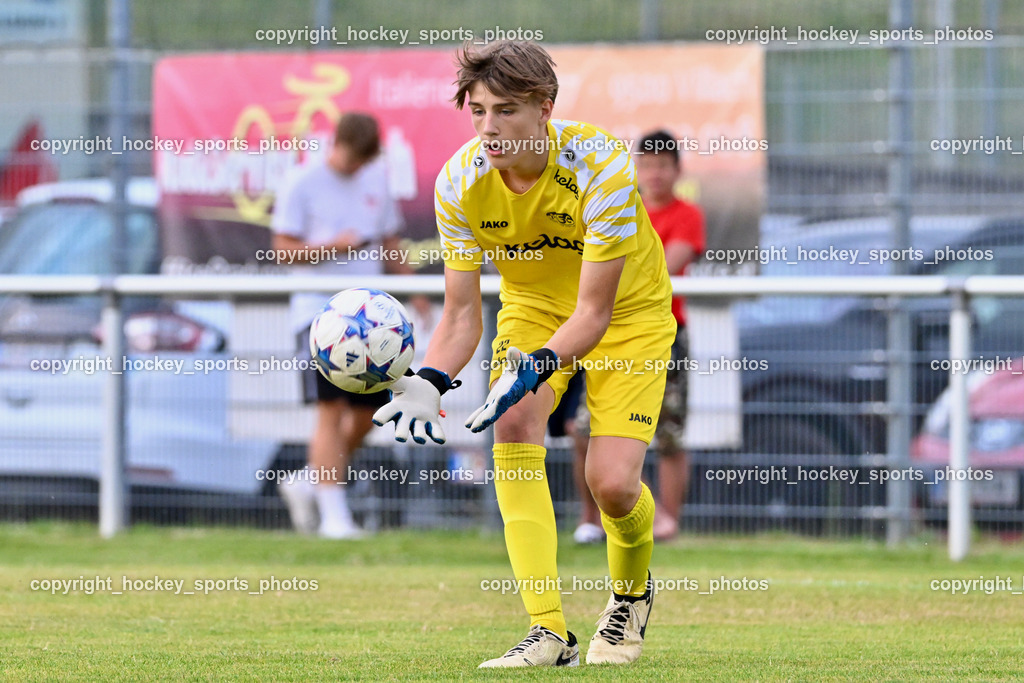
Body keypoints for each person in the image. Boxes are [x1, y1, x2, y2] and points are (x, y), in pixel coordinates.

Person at [372, 40, 675, 668]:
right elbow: (460, 314)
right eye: (478, 111)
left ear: (545, 107)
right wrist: (429, 379)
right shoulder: (459, 181)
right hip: (534, 306)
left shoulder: (601, 163)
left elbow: (593, 313)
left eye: (506, 111)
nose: (490, 128)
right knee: (512, 420)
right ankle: (549, 632)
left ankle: (630, 596)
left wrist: (537, 366)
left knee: (612, 486)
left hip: (628, 314)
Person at [272, 112, 407, 539]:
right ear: (337, 143)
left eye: (362, 162)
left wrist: (416, 294)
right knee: (331, 410)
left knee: (369, 414)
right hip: (321, 315)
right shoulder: (302, 181)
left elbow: (391, 243)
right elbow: (282, 250)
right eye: (351, 160)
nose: (355, 169)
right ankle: (334, 516)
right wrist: (332, 248)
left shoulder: (377, 179)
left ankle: (308, 481)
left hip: (373, 317)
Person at [636, 130, 705, 540]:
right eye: (646, 164)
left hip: (668, 333)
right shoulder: (625, 212)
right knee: (594, 429)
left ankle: (668, 521)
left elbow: (662, 267)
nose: (655, 174)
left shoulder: (688, 214)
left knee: (669, 432)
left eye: (663, 165)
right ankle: (600, 520)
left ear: (677, 170)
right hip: (615, 335)